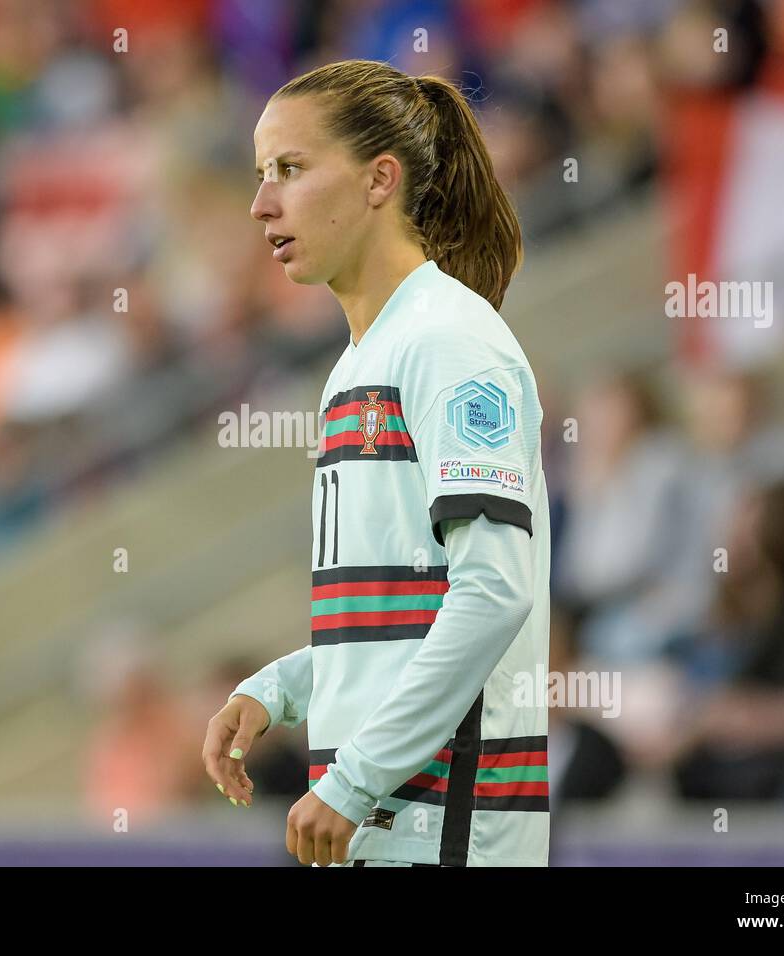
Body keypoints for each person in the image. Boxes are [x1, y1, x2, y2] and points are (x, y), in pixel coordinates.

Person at [201, 60, 550, 867]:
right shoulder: (360, 363)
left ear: (378, 181)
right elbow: (406, 618)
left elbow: (495, 589)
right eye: (261, 176)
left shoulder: (450, 344)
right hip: (386, 826)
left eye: (290, 170)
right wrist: (283, 688)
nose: (261, 204)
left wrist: (355, 782)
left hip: (447, 826)